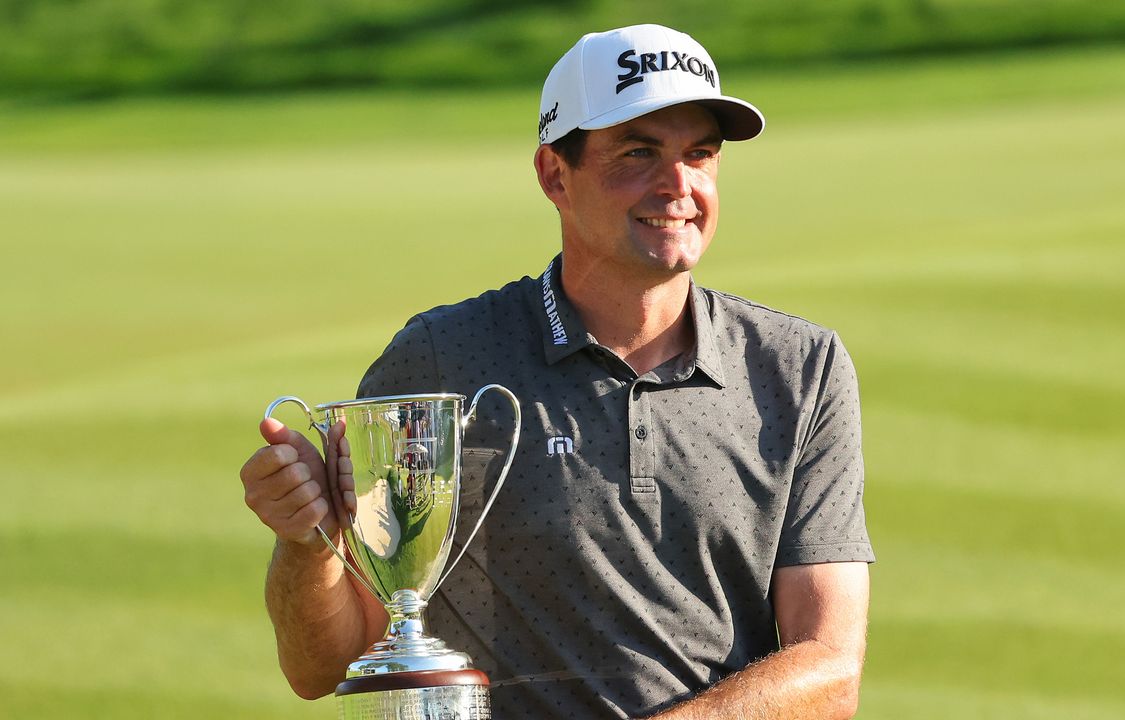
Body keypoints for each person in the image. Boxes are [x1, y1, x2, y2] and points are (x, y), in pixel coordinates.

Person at [240, 23, 873, 719]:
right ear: (553, 175)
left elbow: (830, 671)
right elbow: (323, 665)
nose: (679, 186)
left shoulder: (799, 368)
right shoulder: (441, 360)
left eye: (700, 154)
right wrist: (305, 545)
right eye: (639, 153)